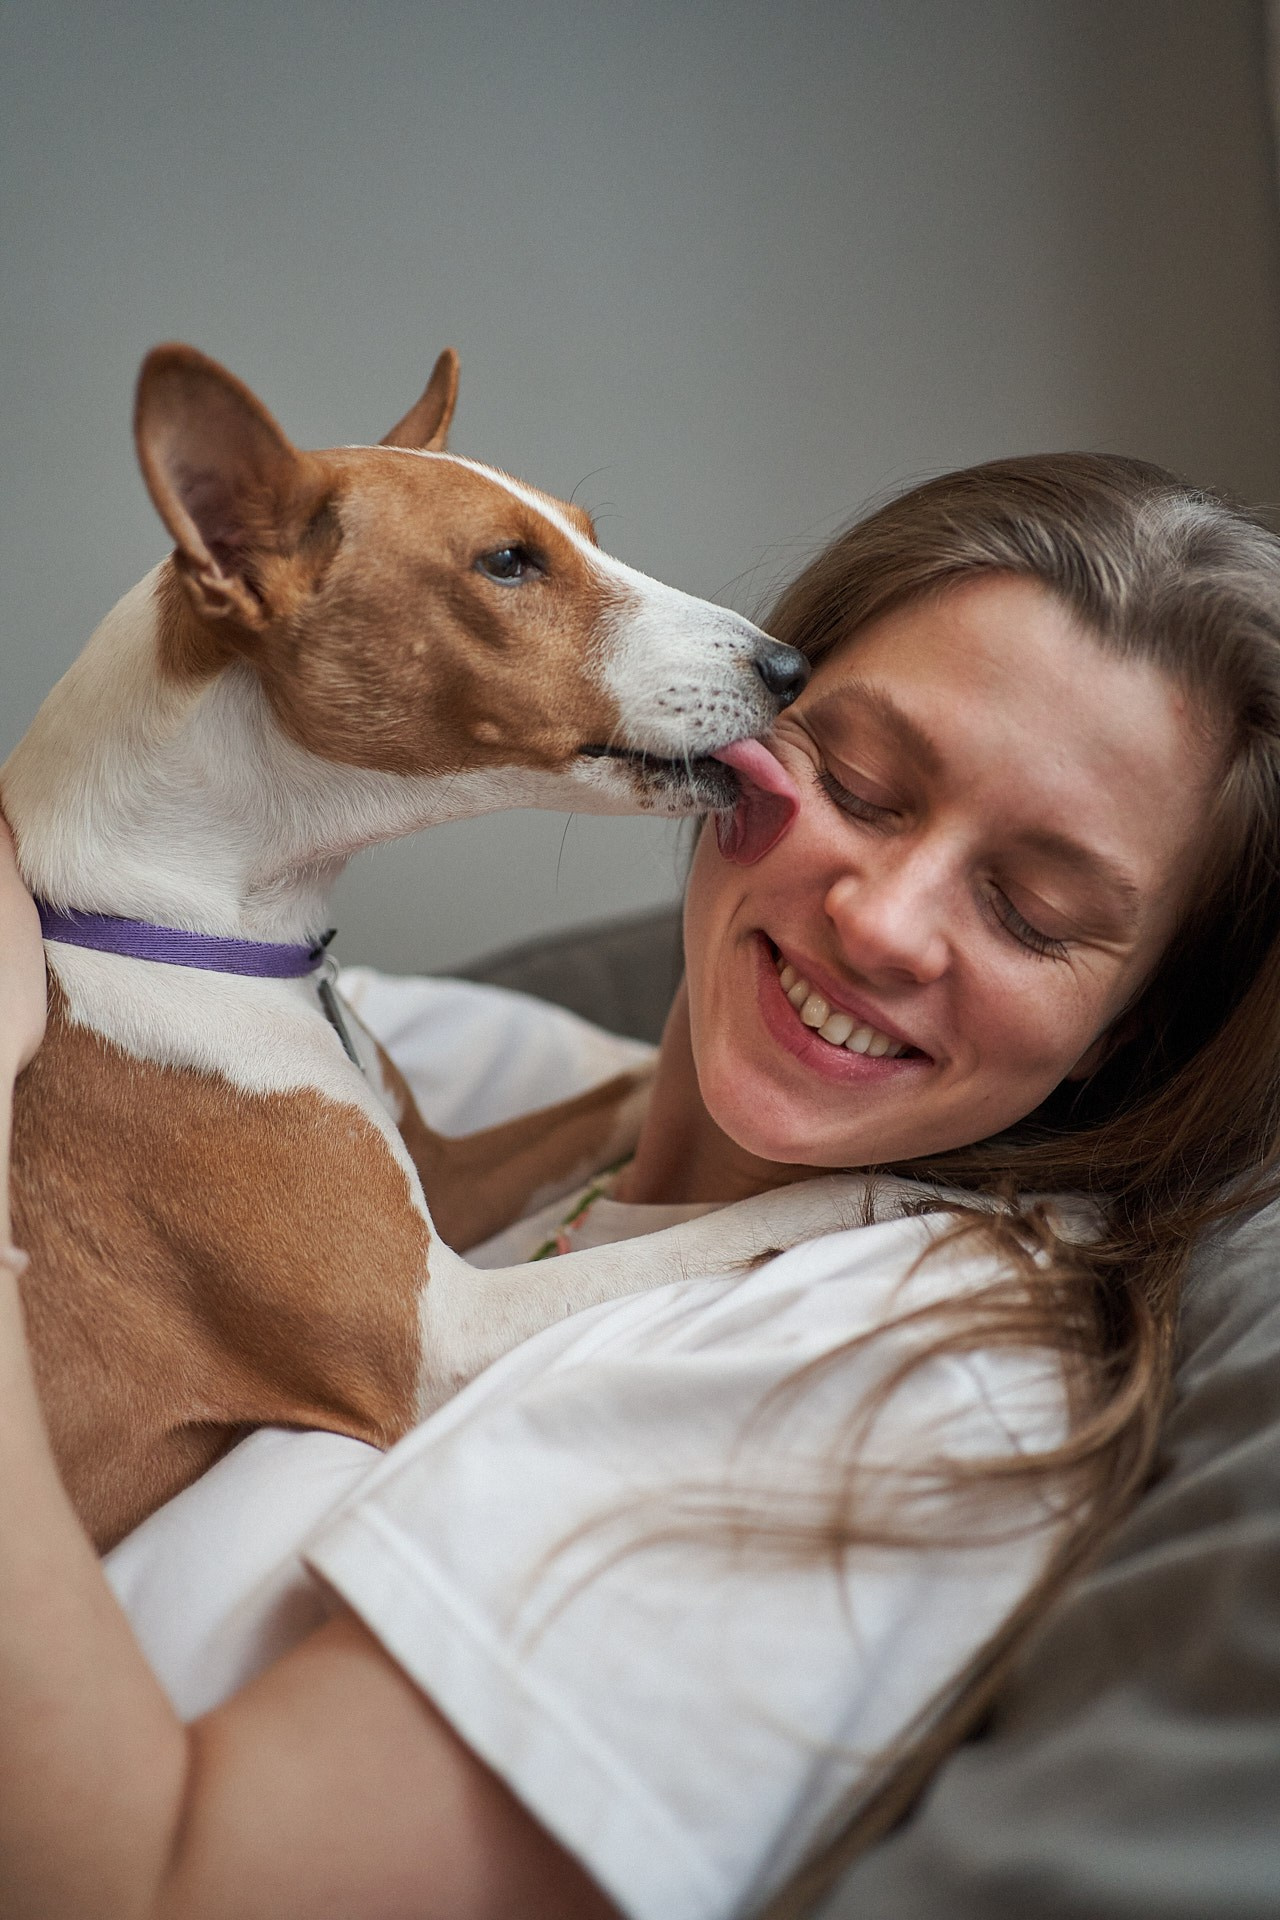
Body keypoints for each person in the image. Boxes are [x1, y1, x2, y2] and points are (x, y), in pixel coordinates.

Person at [3, 452, 1280, 1920]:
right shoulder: (495, 1074)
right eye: (858, 785)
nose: (883, 922)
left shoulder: (897, 1373)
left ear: (1137, 1029)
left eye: (1034, 913)